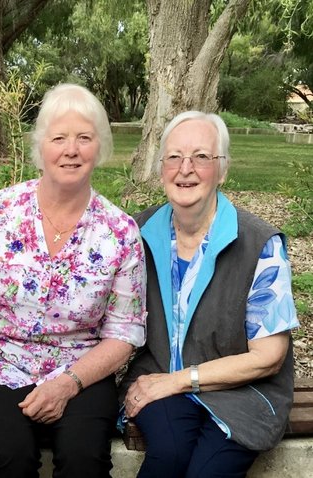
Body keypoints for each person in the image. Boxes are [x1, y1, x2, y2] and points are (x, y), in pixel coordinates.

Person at [0, 83, 147, 478]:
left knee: (84, 462)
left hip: (82, 369)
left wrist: (67, 383)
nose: (71, 149)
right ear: (40, 147)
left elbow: (124, 332)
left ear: (100, 147)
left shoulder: (119, 231)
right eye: (59, 138)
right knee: (12, 459)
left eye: (84, 138)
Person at [120, 111, 299, 477]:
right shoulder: (135, 233)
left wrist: (178, 380)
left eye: (202, 157)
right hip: (159, 377)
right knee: (167, 456)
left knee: (208, 472)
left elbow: (268, 357)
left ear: (223, 170)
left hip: (244, 391)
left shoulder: (259, 243)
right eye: (174, 157)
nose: (186, 168)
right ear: (161, 168)